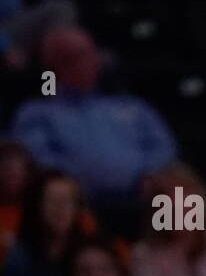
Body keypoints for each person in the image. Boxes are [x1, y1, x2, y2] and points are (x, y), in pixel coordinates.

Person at [10, 26, 177, 204]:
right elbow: (39, 156)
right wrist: (81, 179)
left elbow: (163, 145)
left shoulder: (130, 105)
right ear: (54, 65)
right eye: (76, 56)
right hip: (77, 207)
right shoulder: (38, 114)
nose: (90, 61)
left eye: (90, 53)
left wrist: (148, 172)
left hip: (143, 201)